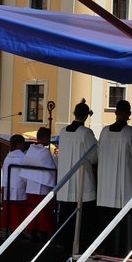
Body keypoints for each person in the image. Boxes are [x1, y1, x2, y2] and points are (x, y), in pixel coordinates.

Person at [97, 100, 132, 256]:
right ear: (129, 114)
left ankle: (106, 248)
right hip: (125, 183)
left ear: (116, 113)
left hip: (105, 185)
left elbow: (99, 154)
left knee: (107, 218)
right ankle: (126, 249)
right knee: (125, 218)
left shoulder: (104, 132)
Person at [56, 100, 98, 251]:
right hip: (81, 180)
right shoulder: (86, 133)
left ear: (74, 114)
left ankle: (63, 241)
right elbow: (94, 156)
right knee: (82, 216)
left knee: (66, 212)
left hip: (66, 181)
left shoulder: (62, 132)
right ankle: (82, 244)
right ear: (86, 116)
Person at [20, 127, 57, 239]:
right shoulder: (44, 152)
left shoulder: (31, 149)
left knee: (32, 209)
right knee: (43, 211)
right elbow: (51, 167)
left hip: (31, 184)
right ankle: (43, 233)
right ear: (45, 137)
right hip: (43, 185)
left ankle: (33, 232)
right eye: (49, 138)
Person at [1, 134, 28, 231]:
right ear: (20, 144)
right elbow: (25, 173)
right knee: (18, 211)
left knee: (10, 209)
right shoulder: (23, 157)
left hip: (8, 185)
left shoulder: (7, 157)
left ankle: (10, 228)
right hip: (19, 185)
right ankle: (18, 230)